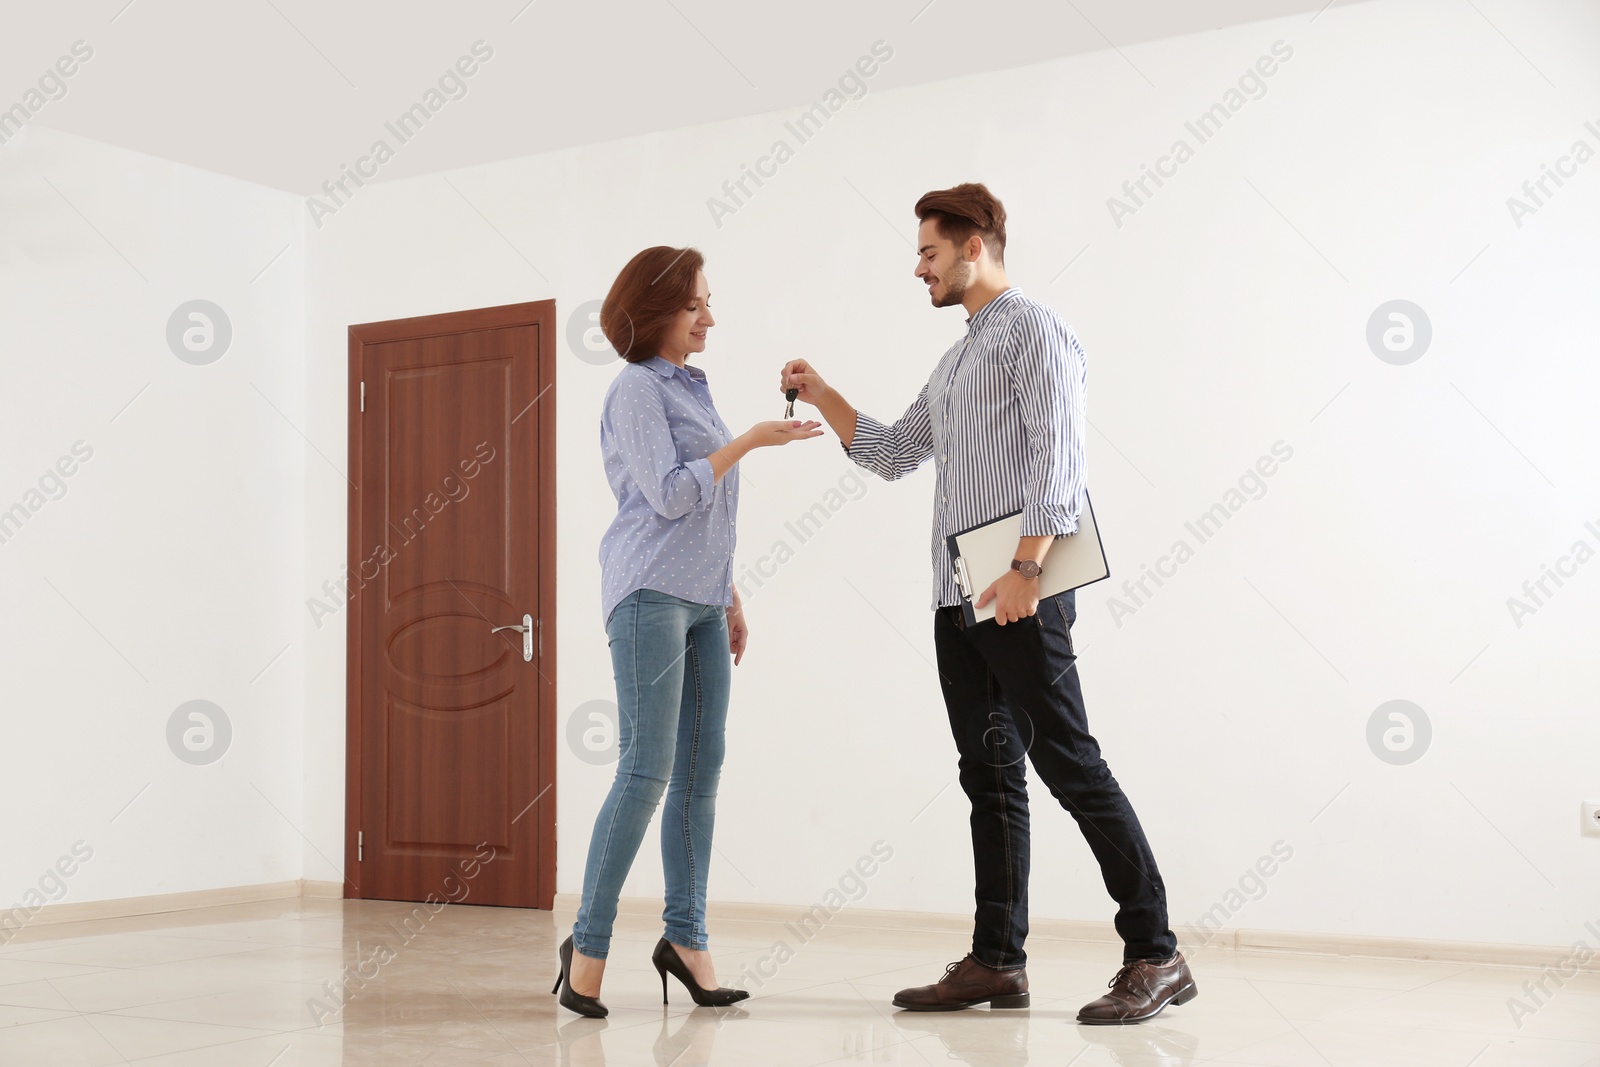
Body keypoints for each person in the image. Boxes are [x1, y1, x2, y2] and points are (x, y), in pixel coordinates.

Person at [779, 184, 1196, 1024]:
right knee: (991, 780)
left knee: (1071, 764)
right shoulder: (960, 356)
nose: (919, 268)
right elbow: (898, 452)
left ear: (976, 245)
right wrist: (823, 392)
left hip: (1017, 586)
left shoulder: (1035, 330)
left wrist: (1027, 568)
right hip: (958, 593)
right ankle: (998, 960)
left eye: (929, 251)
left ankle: (1156, 951)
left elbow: (1061, 457)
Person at [552, 246, 824, 1017]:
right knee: (646, 769)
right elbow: (671, 497)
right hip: (646, 594)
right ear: (657, 312)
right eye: (696, 304)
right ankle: (588, 951)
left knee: (702, 772)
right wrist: (748, 444)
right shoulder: (635, 389)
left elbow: (708, 511)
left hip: (702, 600)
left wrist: (729, 595)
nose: (709, 316)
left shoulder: (690, 388)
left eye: (708, 301)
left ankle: (686, 939)